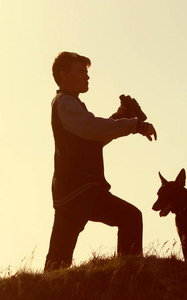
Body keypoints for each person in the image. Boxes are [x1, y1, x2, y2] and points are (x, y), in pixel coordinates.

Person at [44, 51, 157, 271]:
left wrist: (120, 116)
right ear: (63, 74)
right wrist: (134, 124)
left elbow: (92, 138)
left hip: (72, 193)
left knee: (56, 264)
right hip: (80, 191)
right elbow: (94, 129)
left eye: (86, 72)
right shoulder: (65, 103)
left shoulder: (72, 105)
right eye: (81, 72)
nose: (87, 77)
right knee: (131, 218)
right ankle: (128, 279)